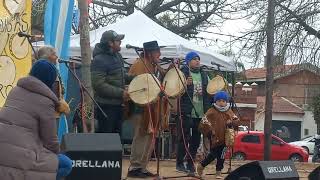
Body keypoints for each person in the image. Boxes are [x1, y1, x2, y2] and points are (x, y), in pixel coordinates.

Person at [0, 60, 72, 180]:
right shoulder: (46, 101)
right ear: (49, 80)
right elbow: (50, 142)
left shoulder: (15, 91)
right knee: (66, 164)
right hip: (22, 157)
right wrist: (57, 152)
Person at [127, 41, 167, 178]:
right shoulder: (140, 64)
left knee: (149, 137)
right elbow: (138, 88)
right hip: (140, 108)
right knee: (141, 136)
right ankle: (134, 167)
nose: (160, 54)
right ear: (150, 53)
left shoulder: (152, 65)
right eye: (157, 52)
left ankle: (142, 166)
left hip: (151, 107)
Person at [91, 30, 132, 134]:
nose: (120, 43)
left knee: (117, 140)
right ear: (110, 43)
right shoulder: (99, 60)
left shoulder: (117, 56)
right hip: (106, 107)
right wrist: (121, 93)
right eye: (118, 41)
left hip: (118, 105)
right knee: (106, 141)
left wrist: (136, 78)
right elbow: (98, 85)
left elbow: (122, 76)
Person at [176, 51, 211, 174]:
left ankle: (190, 163)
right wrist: (184, 85)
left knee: (196, 140)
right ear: (188, 61)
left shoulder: (204, 74)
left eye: (198, 59)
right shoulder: (183, 73)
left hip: (200, 113)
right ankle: (179, 163)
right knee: (184, 138)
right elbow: (175, 91)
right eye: (194, 59)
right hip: (187, 111)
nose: (197, 61)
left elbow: (210, 91)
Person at [197, 91, 240, 179]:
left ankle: (218, 172)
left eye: (223, 101)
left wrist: (231, 122)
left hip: (226, 138)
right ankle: (201, 166)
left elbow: (236, 121)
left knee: (222, 156)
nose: (221, 103)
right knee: (213, 155)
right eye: (219, 100)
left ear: (226, 102)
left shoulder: (229, 111)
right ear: (215, 101)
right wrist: (209, 129)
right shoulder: (211, 111)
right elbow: (203, 122)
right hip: (214, 138)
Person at [37, 46, 70, 117]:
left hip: (51, 112)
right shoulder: (46, 72)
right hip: (48, 113)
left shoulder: (52, 70)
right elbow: (53, 94)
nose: (57, 56)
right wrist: (62, 105)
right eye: (54, 54)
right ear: (47, 57)